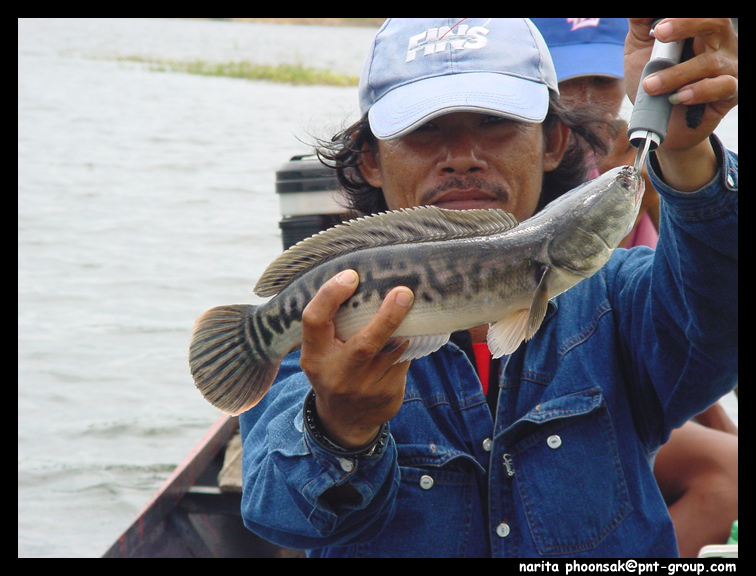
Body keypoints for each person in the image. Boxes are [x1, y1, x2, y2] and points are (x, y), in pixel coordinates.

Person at [238, 18, 738, 557]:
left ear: (553, 143)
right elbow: (275, 512)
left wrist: (686, 152)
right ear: (370, 161)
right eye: (423, 130)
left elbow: (718, 312)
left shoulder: (621, 302)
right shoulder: (320, 318)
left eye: (495, 122)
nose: (462, 156)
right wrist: (339, 429)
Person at [532, 17, 738, 558]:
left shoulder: (643, 168)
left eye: (603, 85)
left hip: (632, 386)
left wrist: (689, 159)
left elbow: (684, 321)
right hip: (598, 391)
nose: (589, 107)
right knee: (726, 472)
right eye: (567, 89)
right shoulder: (586, 184)